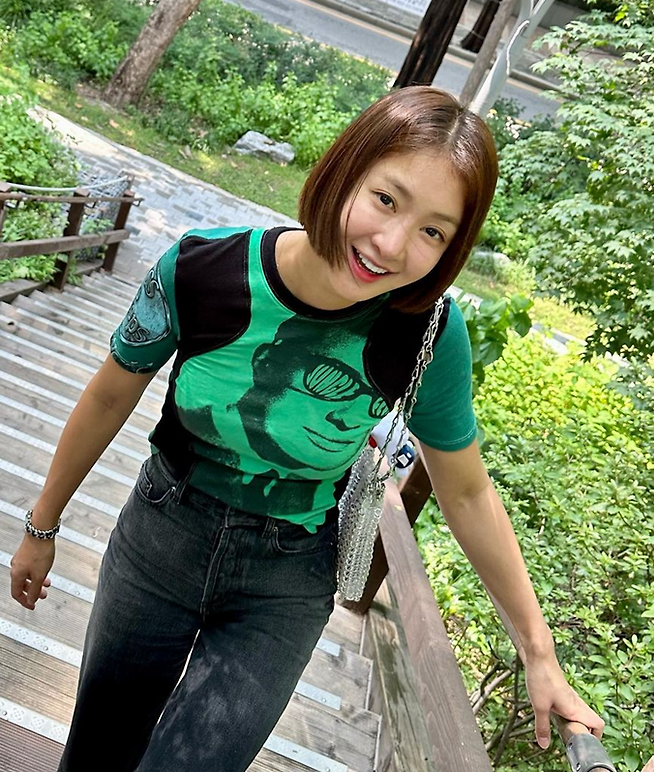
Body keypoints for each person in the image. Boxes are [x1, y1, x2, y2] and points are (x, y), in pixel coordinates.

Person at [9, 86, 603, 771]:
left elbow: (467, 493)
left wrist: (539, 652)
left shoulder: (430, 336)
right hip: (161, 535)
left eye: (434, 232)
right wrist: (41, 526)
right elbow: (111, 395)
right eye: (387, 199)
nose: (392, 246)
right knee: (97, 753)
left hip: (286, 579)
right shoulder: (201, 270)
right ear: (344, 171)